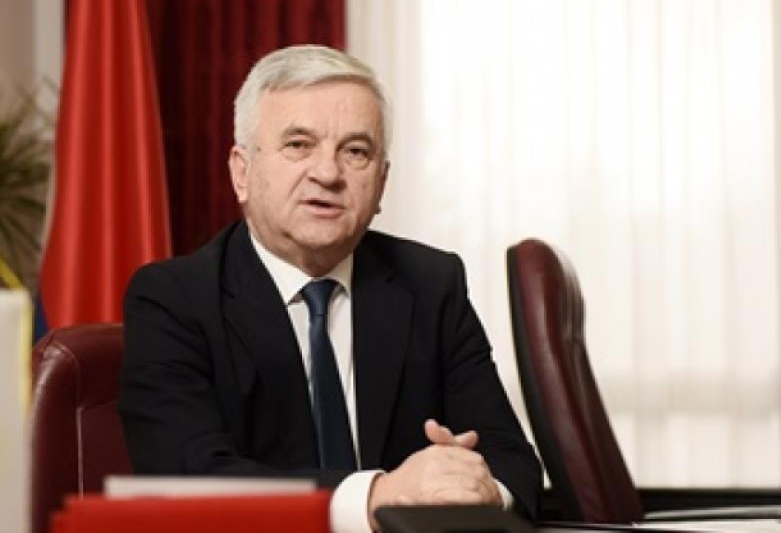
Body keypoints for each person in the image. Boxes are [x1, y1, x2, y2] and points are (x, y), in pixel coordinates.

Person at [119, 45, 542, 532]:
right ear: (242, 172)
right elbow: (189, 481)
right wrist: (378, 497)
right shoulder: (173, 299)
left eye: (355, 151)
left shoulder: (430, 284)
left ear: (381, 183)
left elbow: (513, 463)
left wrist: (477, 490)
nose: (327, 173)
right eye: (299, 145)